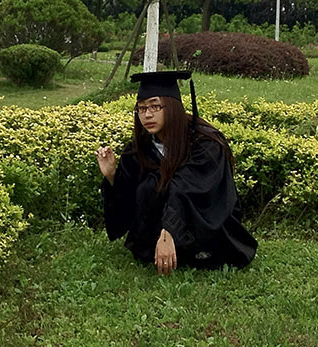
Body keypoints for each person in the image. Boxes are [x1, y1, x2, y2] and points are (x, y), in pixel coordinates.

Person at [96, 70, 257, 274]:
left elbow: (186, 189)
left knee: (169, 187)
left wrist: (169, 231)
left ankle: (185, 250)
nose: (147, 115)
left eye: (155, 106)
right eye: (141, 108)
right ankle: (156, 248)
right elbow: (129, 200)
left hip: (204, 232)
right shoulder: (140, 149)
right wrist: (112, 175)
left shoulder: (205, 144)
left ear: (172, 106)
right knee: (150, 185)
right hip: (154, 240)